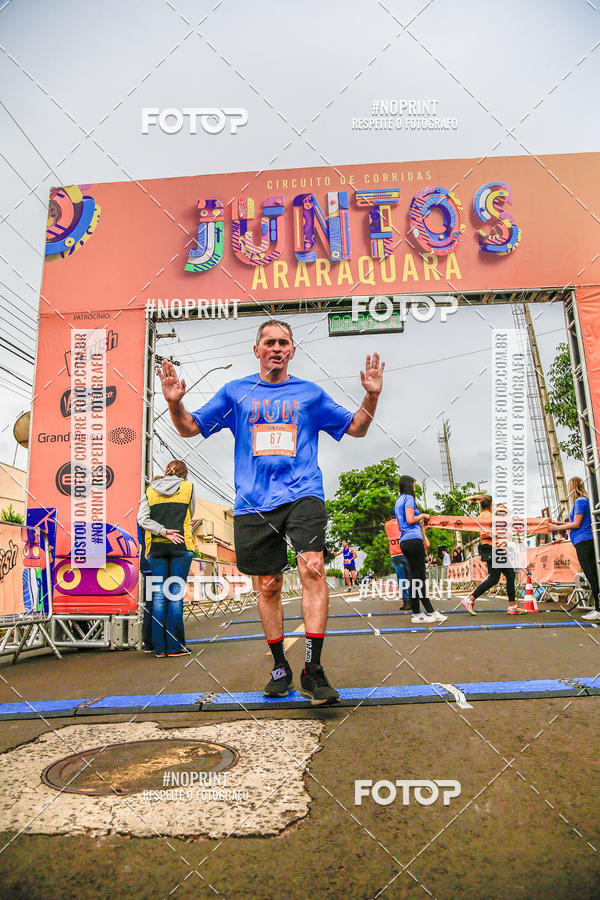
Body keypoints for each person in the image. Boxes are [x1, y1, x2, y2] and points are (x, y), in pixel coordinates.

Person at [159, 320, 384, 704]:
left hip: (303, 493)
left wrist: (372, 396)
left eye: (284, 342)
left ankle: (313, 670)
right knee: (268, 586)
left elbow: (357, 429)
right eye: (269, 342)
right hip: (253, 502)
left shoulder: (310, 395)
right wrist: (174, 402)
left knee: (312, 566)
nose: (277, 348)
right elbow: (188, 428)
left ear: (292, 351)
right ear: (257, 350)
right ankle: (280, 667)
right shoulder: (235, 392)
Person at [137, 460, 195, 657]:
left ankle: (159, 648)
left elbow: (142, 519)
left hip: (156, 549)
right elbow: (191, 513)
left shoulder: (150, 490)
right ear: (184, 475)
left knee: (159, 597)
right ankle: (175, 646)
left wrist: (162, 531)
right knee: (175, 597)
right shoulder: (188, 487)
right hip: (182, 547)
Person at [395, 475, 447, 624]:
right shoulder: (409, 499)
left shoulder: (398, 501)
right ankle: (426, 612)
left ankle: (419, 613)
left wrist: (424, 537)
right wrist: (423, 515)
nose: (415, 487)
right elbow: (411, 519)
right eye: (414, 485)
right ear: (410, 485)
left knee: (415, 578)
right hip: (413, 540)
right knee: (419, 579)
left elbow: (400, 526)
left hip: (404, 541)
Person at [462, 494, 523, 615]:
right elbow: (483, 534)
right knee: (496, 578)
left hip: (494, 548)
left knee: (509, 574)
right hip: (491, 548)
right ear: (491, 505)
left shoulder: (489, 515)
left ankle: (512, 605)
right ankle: (470, 599)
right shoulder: (486, 515)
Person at [549, 477, 600, 620]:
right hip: (583, 540)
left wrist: (557, 527)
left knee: (592, 576)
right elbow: (575, 522)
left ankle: (598, 609)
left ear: (573, 487)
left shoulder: (579, 501)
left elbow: (576, 524)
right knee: (593, 575)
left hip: (583, 541)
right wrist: (558, 522)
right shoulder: (584, 501)